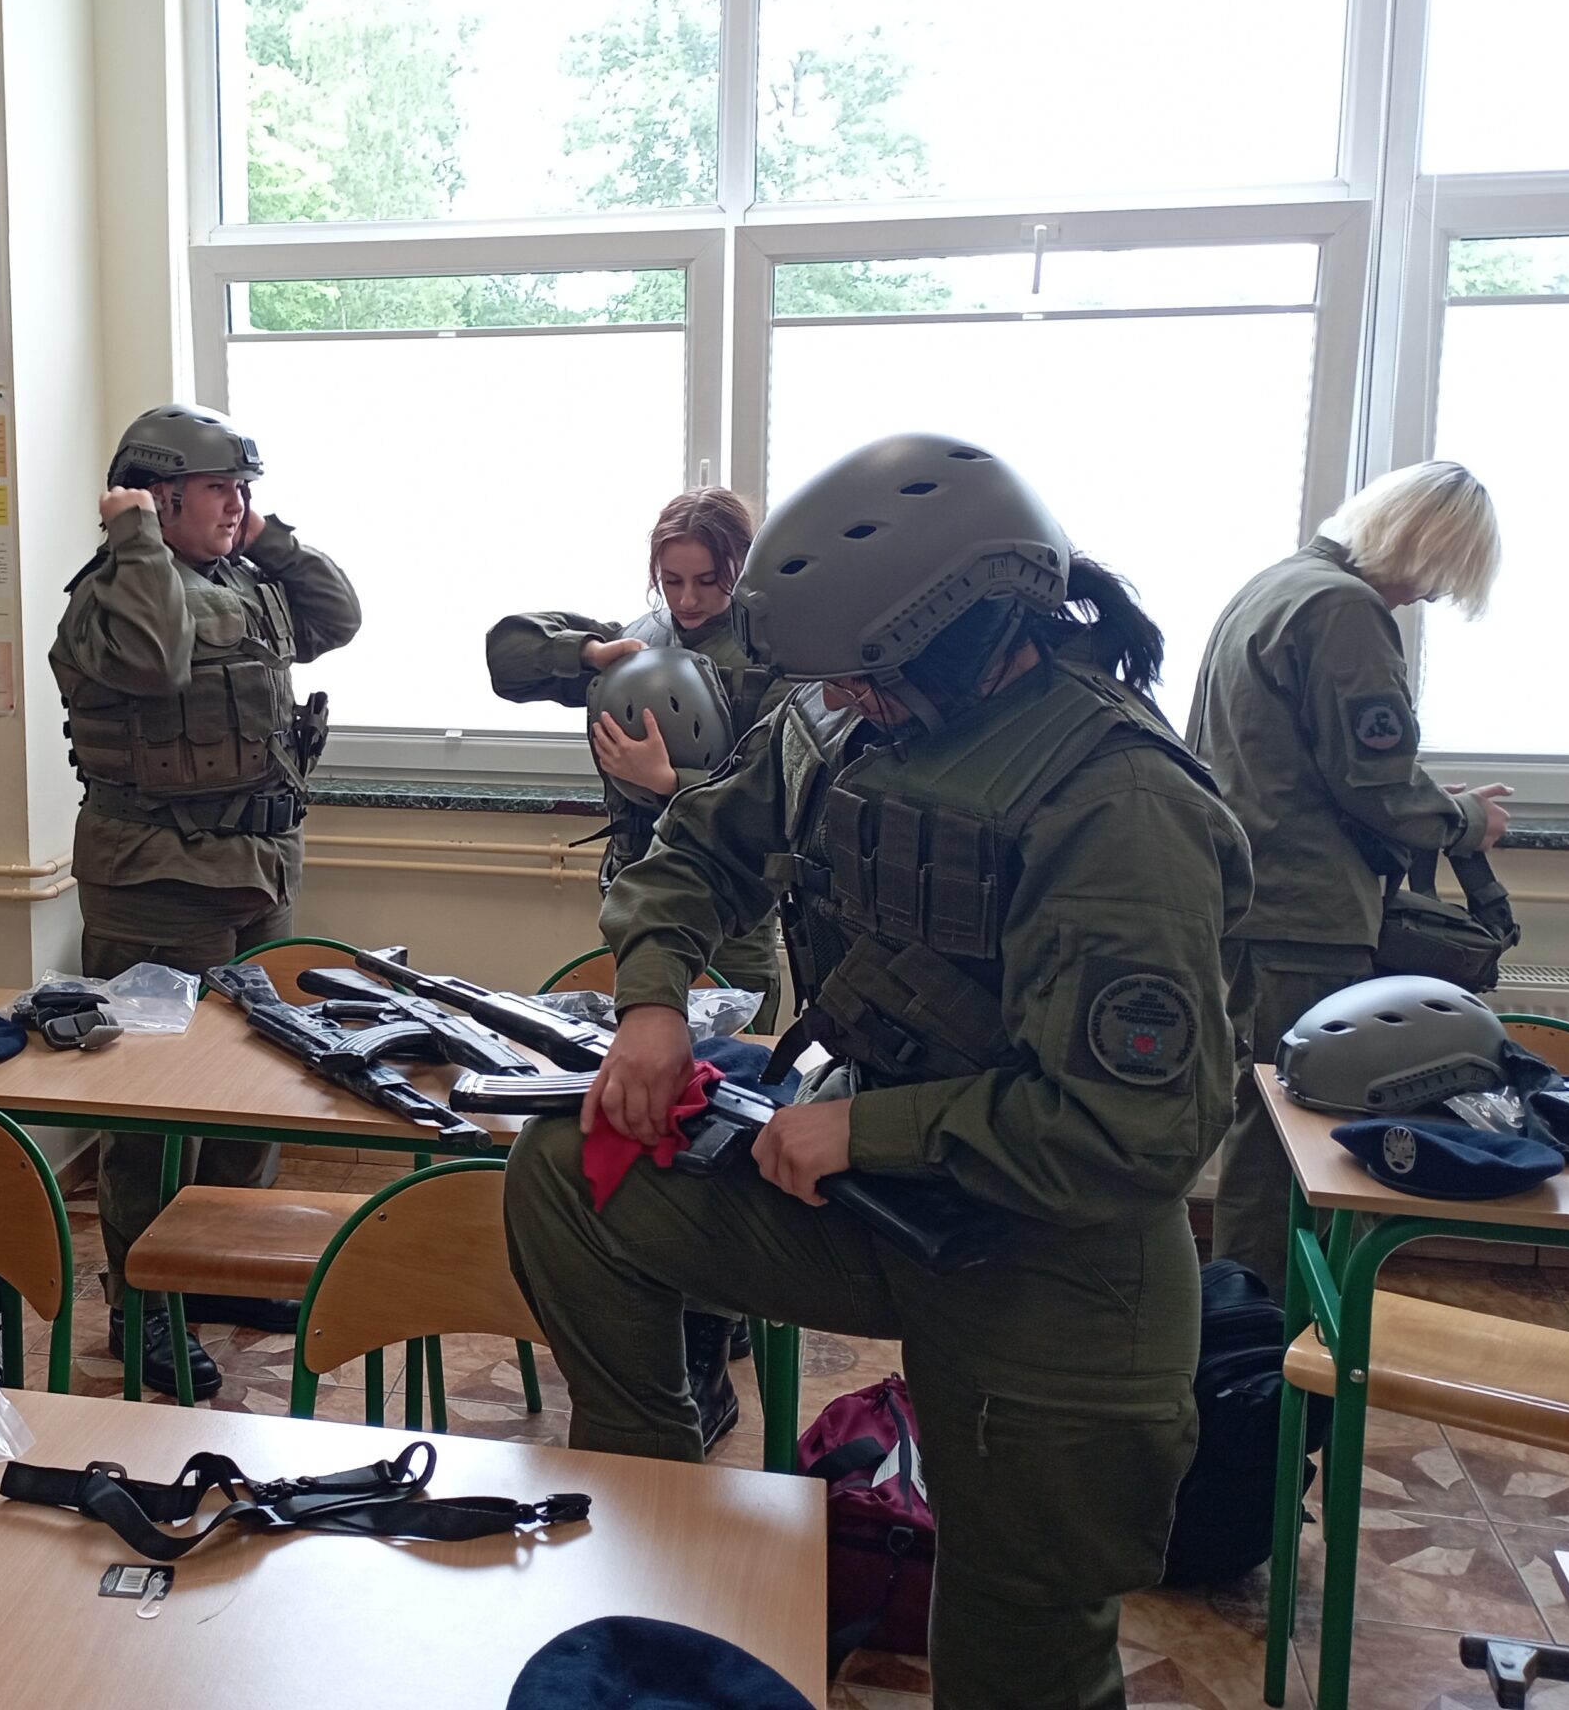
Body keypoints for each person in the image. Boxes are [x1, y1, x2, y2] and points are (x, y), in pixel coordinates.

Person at [503, 434, 1252, 1710]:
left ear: (973, 631)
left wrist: (869, 1131)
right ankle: (656, 1515)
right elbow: (698, 847)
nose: (842, 693)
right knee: (573, 1170)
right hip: (872, 1200)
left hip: (1053, 1256)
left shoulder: (1118, 804)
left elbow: (1134, 1128)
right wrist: (652, 1001)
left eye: (866, 674)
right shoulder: (840, 718)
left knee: (1017, 1649)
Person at [49, 403, 361, 1400]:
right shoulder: (114, 596)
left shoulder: (243, 579)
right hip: (157, 880)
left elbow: (338, 616)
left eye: (244, 488)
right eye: (220, 489)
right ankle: (142, 1304)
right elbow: (153, 659)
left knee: (255, 1080)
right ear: (156, 496)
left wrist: (270, 536)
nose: (237, 505)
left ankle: (226, 1266)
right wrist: (135, 537)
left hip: (257, 868)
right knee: (150, 1108)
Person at [1188, 460, 1509, 1297]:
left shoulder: (1273, 588)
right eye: (1442, 574)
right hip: (1304, 915)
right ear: (1423, 544)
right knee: (1299, 1135)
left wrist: (1434, 804)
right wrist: (1463, 821)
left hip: (1248, 901)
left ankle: (1248, 1315)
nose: (1430, 595)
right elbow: (1375, 782)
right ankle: (1263, 1332)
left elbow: (1313, 765)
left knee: (1266, 1117)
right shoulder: (1345, 610)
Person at [486, 487, 789, 1027]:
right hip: (635, 896)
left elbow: (782, 794)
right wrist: (588, 652)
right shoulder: (635, 642)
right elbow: (506, 657)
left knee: (733, 1069)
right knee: (639, 1056)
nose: (687, 599)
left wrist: (672, 781)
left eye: (708, 581)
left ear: (743, 565)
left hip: (731, 913)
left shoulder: (778, 657)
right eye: (671, 581)